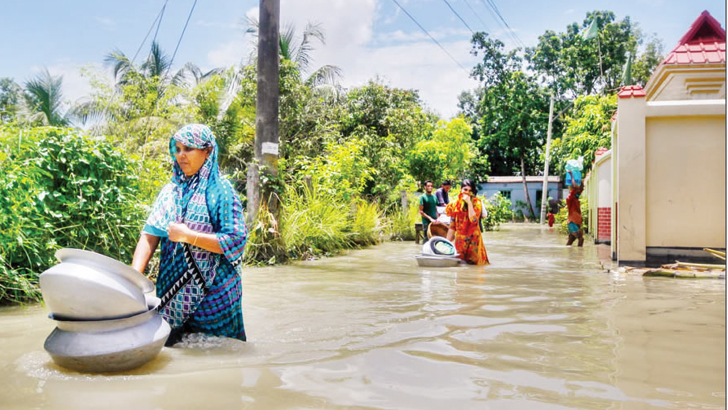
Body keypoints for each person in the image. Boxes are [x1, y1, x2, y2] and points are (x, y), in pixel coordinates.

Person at [131, 124, 248, 346]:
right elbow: (149, 235)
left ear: (208, 151)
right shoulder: (170, 191)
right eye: (177, 149)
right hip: (171, 294)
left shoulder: (221, 191)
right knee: (171, 349)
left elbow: (235, 240)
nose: (181, 155)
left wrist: (189, 236)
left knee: (217, 355)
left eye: (189, 149)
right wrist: (132, 279)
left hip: (215, 295)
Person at [445, 179, 490, 265]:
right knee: (459, 264)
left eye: (470, 191)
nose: (467, 193)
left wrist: (469, 203)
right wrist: (446, 243)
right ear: (461, 190)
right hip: (460, 240)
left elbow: (473, 220)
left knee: (476, 265)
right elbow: (452, 226)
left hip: (474, 239)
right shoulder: (454, 205)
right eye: (465, 190)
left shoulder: (477, 203)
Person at [565, 170, 584, 246]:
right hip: (572, 222)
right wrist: (572, 175)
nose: (579, 189)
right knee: (580, 238)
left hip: (576, 221)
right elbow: (574, 186)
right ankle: (579, 256)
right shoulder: (571, 198)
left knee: (570, 241)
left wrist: (580, 179)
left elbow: (580, 187)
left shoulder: (576, 197)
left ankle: (571, 256)